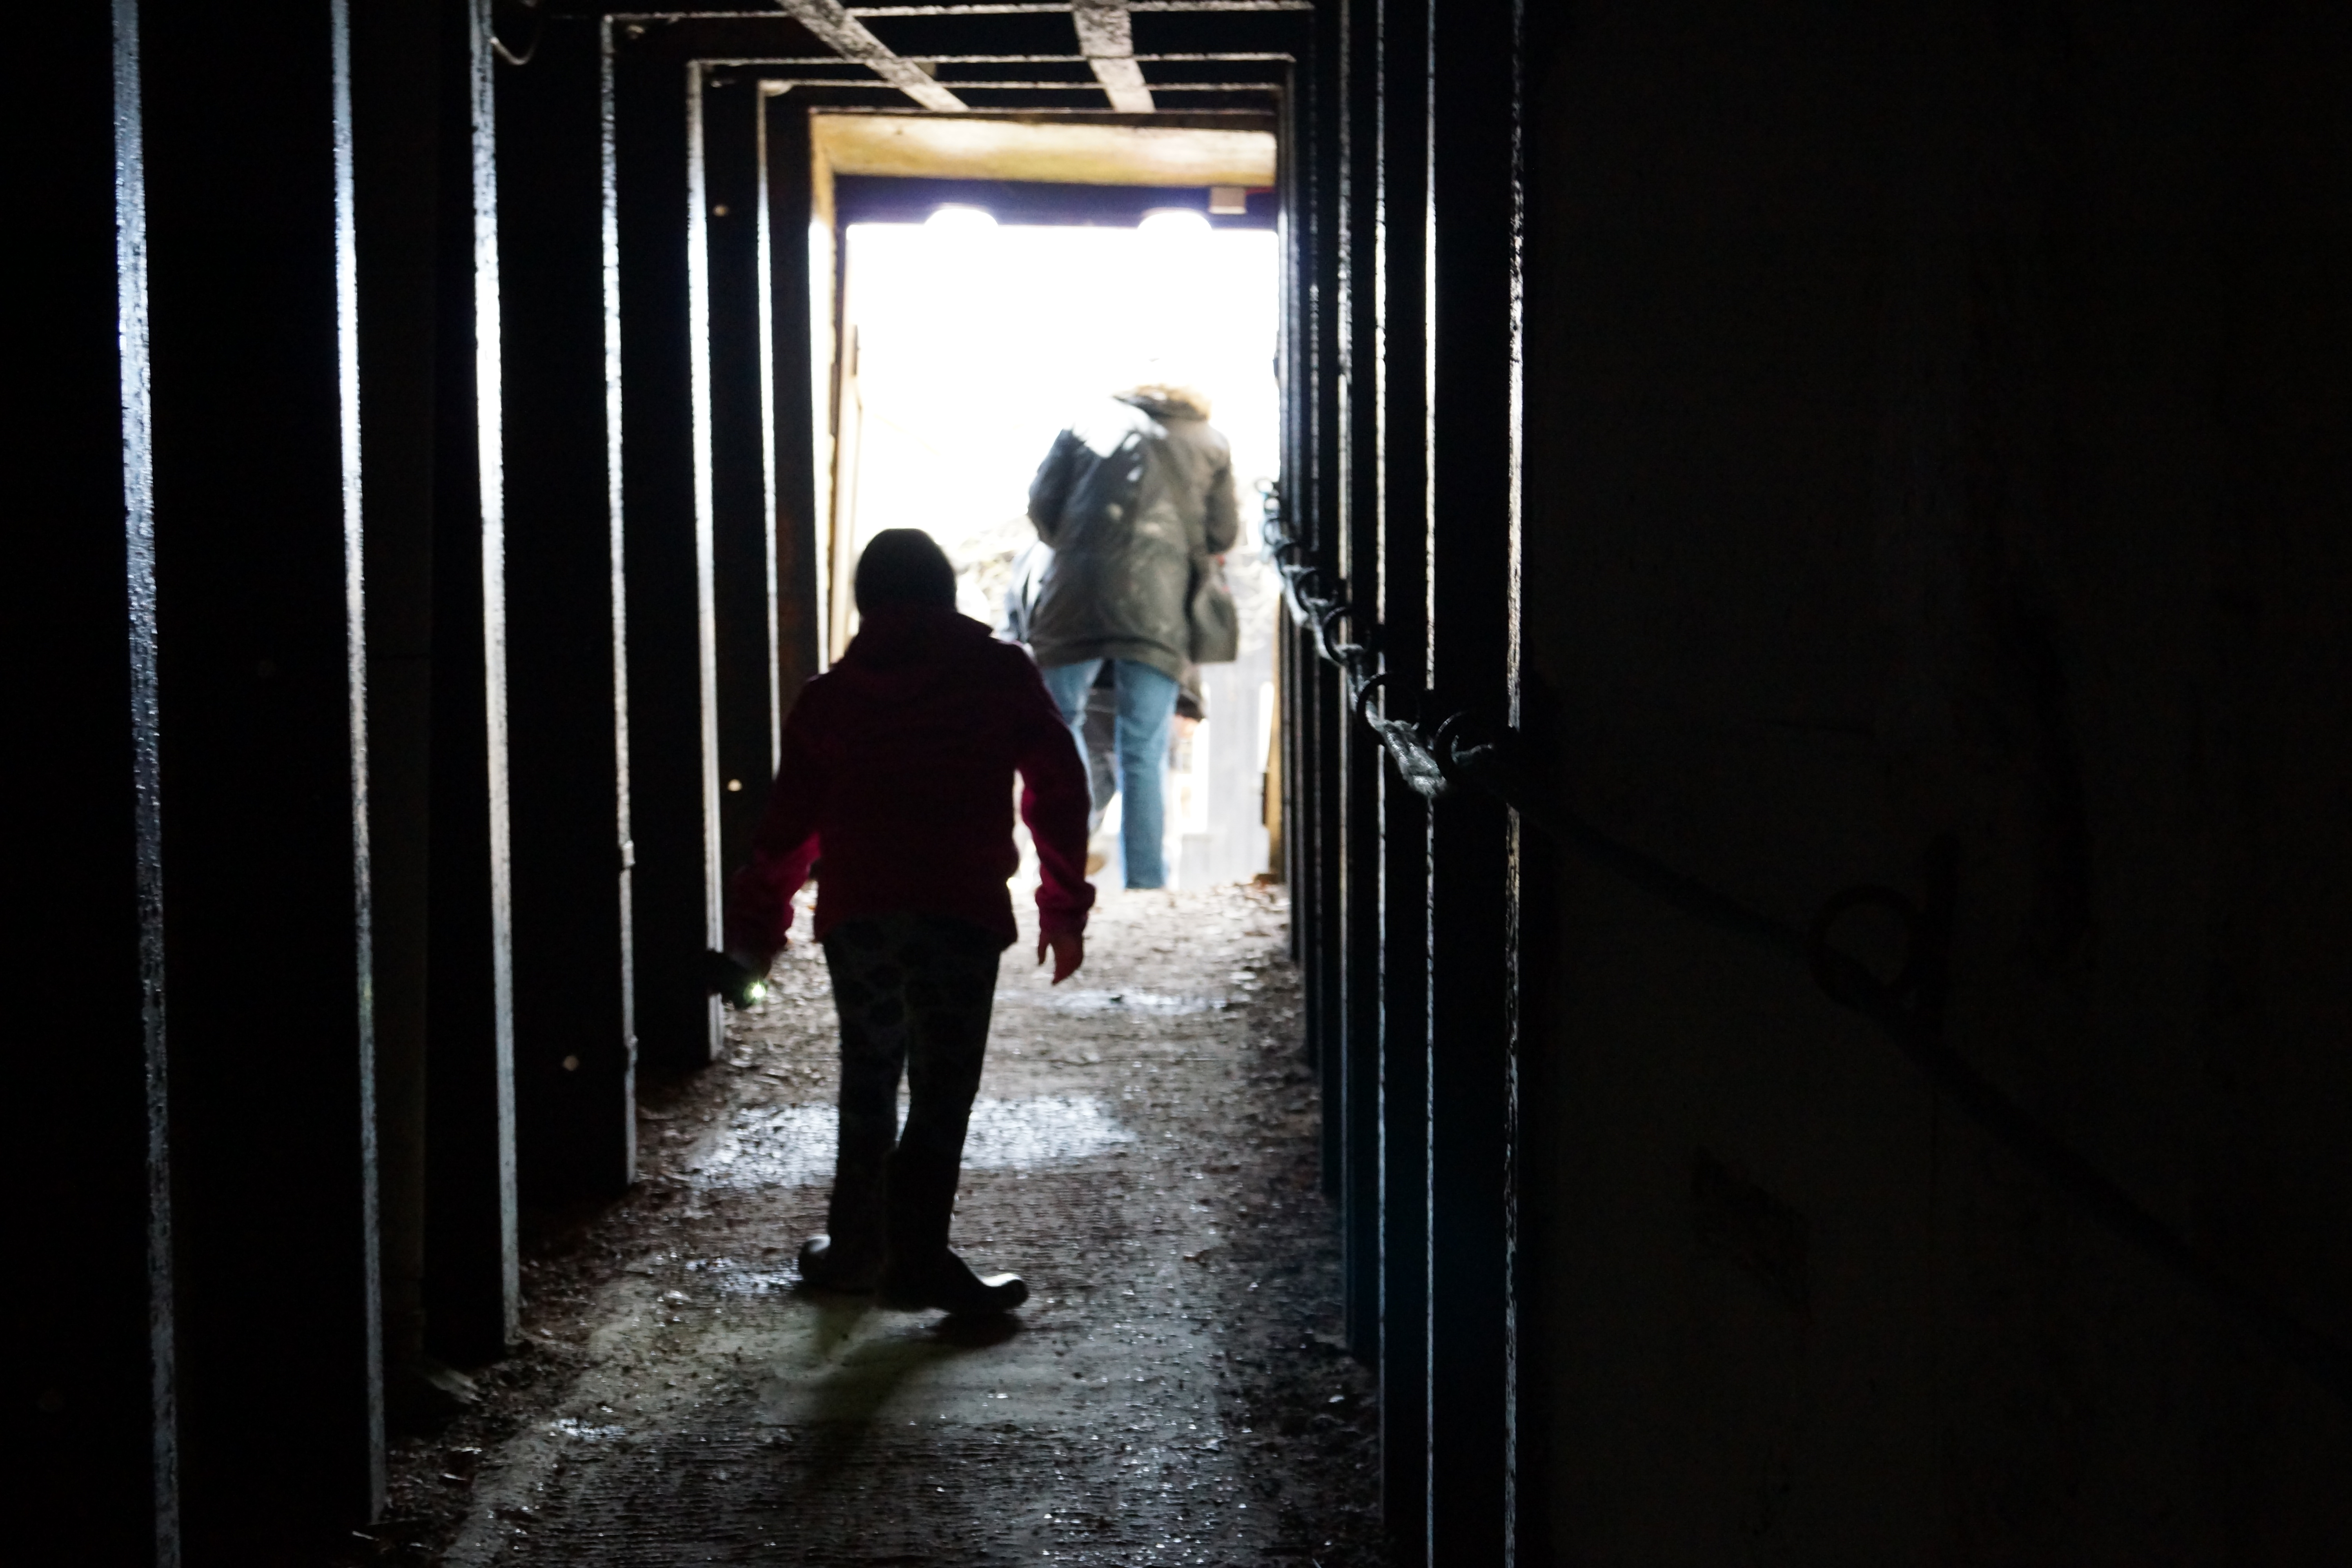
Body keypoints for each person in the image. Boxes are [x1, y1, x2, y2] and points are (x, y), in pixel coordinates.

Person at [720, 528, 1094, 1316]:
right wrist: (1062, 906)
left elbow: (788, 830)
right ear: (946, 595)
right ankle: (918, 1258)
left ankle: (857, 1250)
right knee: (941, 1089)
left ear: (865, 603)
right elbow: (1058, 786)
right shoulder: (999, 675)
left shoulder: (831, 698)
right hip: (960, 915)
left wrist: (759, 931)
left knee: (870, 1075)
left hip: (862, 919)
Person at [1024, 383, 1240, 889]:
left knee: (1059, 729)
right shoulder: (1210, 441)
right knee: (1143, 747)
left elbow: (1042, 507)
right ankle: (1145, 884)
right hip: (1158, 606)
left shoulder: (1085, 424)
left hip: (1074, 597)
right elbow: (1222, 533)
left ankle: (1061, 868)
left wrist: (1082, 546)